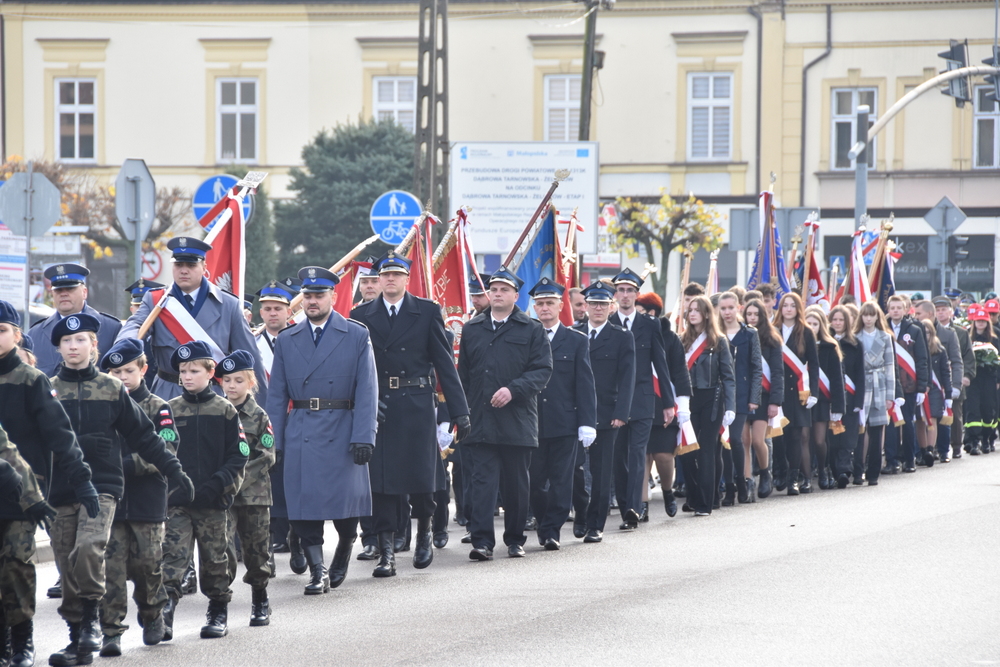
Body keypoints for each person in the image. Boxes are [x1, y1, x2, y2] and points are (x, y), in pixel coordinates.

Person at [48, 313, 193, 666]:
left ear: (93, 346)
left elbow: (146, 437)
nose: (73, 346)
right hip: (60, 490)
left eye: (80, 340)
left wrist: (175, 472)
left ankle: (99, 627)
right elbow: (29, 438)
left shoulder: (111, 390)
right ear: (58, 347)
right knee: (68, 565)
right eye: (66, 341)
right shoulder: (48, 389)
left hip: (102, 488)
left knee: (89, 550)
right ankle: (78, 634)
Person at [350, 252, 470, 576]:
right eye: (383, 275)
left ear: (406, 279)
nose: (389, 280)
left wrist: (460, 411)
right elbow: (355, 368)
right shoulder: (360, 315)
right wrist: (363, 404)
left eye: (395, 275)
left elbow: (445, 364)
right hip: (381, 405)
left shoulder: (427, 311)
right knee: (383, 484)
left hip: (416, 402)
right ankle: (386, 553)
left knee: (422, 480)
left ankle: (425, 533)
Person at [265, 266, 378, 594]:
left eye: (319, 295)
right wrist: (276, 438)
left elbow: (367, 390)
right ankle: (317, 570)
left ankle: (344, 546)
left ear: (333, 296)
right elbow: (277, 396)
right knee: (302, 506)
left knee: (345, 504)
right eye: (308, 296)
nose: (312, 301)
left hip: (342, 428)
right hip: (302, 428)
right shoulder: (287, 339)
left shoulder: (356, 334)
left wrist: (363, 436)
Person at [0, 299, 97, 667]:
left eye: (2, 331)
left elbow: (61, 436)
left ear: (17, 335)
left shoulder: (31, 380)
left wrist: (82, 481)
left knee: (16, 567)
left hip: (26, 494)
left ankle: (22, 642)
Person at [458, 267, 552, 560]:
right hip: (481, 419)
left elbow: (542, 370)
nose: (497, 294)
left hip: (517, 418)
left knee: (516, 484)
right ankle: (482, 542)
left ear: (515, 295)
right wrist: (460, 414)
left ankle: (514, 538)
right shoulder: (473, 328)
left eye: (503, 290)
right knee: (482, 483)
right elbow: (463, 376)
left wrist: (513, 390)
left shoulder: (532, 329)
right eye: (493, 289)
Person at [98, 338, 184, 655]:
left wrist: (124, 465)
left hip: (147, 501)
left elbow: (166, 449)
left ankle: (152, 615)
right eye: (115, 371)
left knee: (147, 565)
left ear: (143, 369)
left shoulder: (159, 408)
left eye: (128, 370)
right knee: (112, 568)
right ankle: (111, 631)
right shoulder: (102, 407)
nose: (122, 377)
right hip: (111, 502)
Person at [162, 341, 249, 641]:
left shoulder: (224, 410)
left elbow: (238, 454)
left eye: (194, 370)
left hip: (212, 501)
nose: (187, 376)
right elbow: (162, 451)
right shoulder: (170, 409)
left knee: (215, 560)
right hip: (179, 502)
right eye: (183, 371)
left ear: (211, 372)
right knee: (172, 557)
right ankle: (166, 612)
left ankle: (217, 609)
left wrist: (217, 485)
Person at [118, 237, 268, 404]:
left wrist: (261, 409)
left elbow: (250, 357)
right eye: (179, 265)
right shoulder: (155, 300)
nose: (184, 270)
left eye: (191, 265)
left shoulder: (228, 305)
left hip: (213, 397)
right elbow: (135, 325)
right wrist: (126, 346)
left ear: (204, 267)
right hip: (168, 394)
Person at [527, 278, 596, 550]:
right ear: (534, 307)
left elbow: (585, 384)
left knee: (561, 480)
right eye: (540, 303)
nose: (544, 308)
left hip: (565, 421)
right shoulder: (526, 337)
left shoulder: (576, 340)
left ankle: (552, 530)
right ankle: (544, 520)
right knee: (533, 482)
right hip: (531, 422)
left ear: (560, 306)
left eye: (549, 303)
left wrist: (587, 422)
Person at [609, 269, 673, 530]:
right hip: (615, 403)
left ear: (636, 295)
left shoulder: (650, 324)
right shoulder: (608, 323)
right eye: (621, 290)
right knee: (618, 459)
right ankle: (626, 505)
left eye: (630, 291)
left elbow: (661, 364)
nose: (625, 295)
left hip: (644, 399)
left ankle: (633, 508)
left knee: (637, 454)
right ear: (615, 294)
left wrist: (668, 402)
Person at [215, 350, 275, 626]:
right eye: (226, 380)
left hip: (253, 495)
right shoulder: (216, 411)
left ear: (251, 382)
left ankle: (260, 600)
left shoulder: (259, 415)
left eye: (238, 380)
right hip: (222, 497)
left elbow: (266, 455)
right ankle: (219, 606)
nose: (231, 386)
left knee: (256, 550)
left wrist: (234, 480)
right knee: (220, 549)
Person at [572, 282, 634, 541]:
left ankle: (595, 524)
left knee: (601, 470)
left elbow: (628, 377)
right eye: (593, 303)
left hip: (607, 412)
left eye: (602, 304)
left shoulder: (621, 336)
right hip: (574, 411)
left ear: (611, 306)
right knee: (574, 468)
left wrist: (622, 412)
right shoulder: (573, 334)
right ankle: (580, 515)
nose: (597, 308)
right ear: (585, 306)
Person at [635, 291, 690, 519]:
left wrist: (683, 405)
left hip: (664, 404)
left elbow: (679, 373)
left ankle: (667, 490)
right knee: (642, 457)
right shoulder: (630, 332)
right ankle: (642, 505)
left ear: (653, 313)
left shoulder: (670, 338)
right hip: (639, 403)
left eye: (642, 312)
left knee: (664, 457)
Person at [679, 295, 735, 516]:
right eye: (690, 309)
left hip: (713, 399)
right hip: (687, 400)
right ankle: (694, 495)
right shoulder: (682, 340)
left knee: (707, 451)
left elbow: (728, 376)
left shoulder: (718, 341)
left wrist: (730, 406)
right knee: (686, 452)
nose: (692, 313)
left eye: (697, 310)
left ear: (706, 314)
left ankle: (705, 502)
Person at [27, 263, 122, 376]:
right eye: (58, 290)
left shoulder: (111, 329)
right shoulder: (36, 334)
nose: (64, 294)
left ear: (84, 292)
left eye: (70, 288)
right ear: (52, 293)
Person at [772, 293, 820, 495]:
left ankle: (795, 478)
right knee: (778, 437)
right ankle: (780, 472)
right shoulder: (772, 331)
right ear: (780, 308)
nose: (789, 309)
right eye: (785, 305)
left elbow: (814, 365)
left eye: (792, 305)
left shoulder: (806, 332)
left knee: (796, 435)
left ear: (798, 309)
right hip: (778, 391)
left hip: (799, 391)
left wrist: (814, 393)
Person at [718, 291, 762, 504]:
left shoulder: (750, 333)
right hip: (719, 397)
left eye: (730, 307)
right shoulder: (715, 332)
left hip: (742, 396)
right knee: (722, 441)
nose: (727, 312)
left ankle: (742, 483)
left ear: (739, 308)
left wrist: (754, 397)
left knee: (735, 439)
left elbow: (756, 367)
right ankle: (728, 487)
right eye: (723, 308)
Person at [883, 294, 929, 475]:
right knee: (891, 424)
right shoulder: (883, 329)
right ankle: (892, 460)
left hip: (909, 385)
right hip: (890, 385)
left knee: (908, 423)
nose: (895, 311)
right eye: (892, 308)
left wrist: (922, 387)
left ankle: (909, 459)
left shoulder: (915, 329)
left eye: (898, 308)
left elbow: (922, 359)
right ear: (888, 310)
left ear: (904, 309)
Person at [914, 299, 963, 459]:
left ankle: (944, 450)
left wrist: (955, 386)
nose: (916, 316)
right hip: (922, 385)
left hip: (940, 385)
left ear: (929, 314)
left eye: (919, 313)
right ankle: (926, 451)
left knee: (944, 419)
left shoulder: (949, 334)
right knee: (922, 419)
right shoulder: (914, 333)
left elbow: (956, 361)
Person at [742, 299, 781, 498]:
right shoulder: (740, 337)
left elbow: (777, 373)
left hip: (763, 397)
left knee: (758, 440)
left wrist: (775, 401)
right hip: (742, 396)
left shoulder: (772, 340)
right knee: (744, 441)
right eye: (749, 314)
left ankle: (765, 473)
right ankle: (748, 481)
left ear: (762, 317)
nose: (752, 318)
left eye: (756, 315)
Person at [804, 306, 846, 490]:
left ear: (821, 326)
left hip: (822, 400)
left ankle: (823, 469)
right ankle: (805, 475)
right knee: (804, 438)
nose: (811, 327)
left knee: (820, 440)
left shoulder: (830, 347)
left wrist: (838, 407)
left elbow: (837, 380)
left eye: (815, 324)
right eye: (808, 323)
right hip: (802, 399)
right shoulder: (797, 346)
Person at [854, 301, 896, 486]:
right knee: (859, 431)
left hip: (879, 386)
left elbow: (890, 367)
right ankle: (857, 471)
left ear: (877, 317)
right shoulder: (854, 337)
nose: (868, 318)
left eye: (872, 315)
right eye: (865, 315)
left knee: (877, 432)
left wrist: (890, 396)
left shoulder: (886, 337)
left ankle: (873, 473)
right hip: (862, 386)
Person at [932, 296, 975, 456]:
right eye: (937, 310)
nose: (941, 313)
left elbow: (967, 357)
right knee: (934, 412)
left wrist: (966, 376)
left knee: (955, 414)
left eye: (944, 309)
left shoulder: (961, 333)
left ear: (951, 311)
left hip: (954, 377)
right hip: (936, 379)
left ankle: (956, 445)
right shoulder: (930, 331)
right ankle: (935, 446)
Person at [829, 305, 866, 487]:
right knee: (832, 437)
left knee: (848, 437)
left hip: (850, 397)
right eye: (834, 319)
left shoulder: (855, 344)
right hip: (831, 397)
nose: (837, 323)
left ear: (847, 322)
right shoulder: (825, 342)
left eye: (841, 320)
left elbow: (860, 374)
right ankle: (835, 471)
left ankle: (844, 469)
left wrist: (859, 400)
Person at [965, 305, 1000, 455]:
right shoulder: (968, 337)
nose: (980, 323)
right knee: (972, 410)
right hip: (973, 379)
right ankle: (973, 440)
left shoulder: (995, 338)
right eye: (978, 321)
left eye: (983, 321)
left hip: (989, 379)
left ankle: (987, 438)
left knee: (987, 409)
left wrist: (998, 379)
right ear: (974, 322)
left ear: (987, 323)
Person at [916, 319, 951, 466]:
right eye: (923, 332)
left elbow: (945, 373)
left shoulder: (940, 350)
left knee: (932, 420)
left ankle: (930, 450)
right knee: (920, 420)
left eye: (928, 332)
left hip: (935, 390)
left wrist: (949, 394)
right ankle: (922, 451)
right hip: (920, 388)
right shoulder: (915, 348)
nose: (926, 335)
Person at [123, 279, 164, 390]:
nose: (143, 311)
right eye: (138, 307)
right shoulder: (124, 337)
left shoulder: (165, 334)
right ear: (131, 309)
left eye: (147, 307)